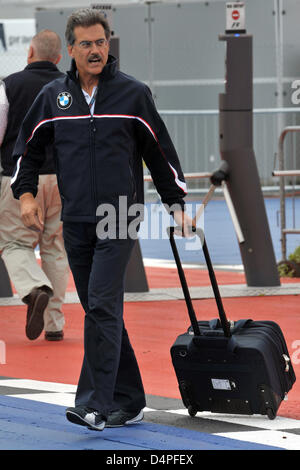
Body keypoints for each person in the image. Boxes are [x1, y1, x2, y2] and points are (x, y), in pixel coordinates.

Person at [11, 8, 192, 431]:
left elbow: (159, 153)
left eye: (102, 42)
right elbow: (28, 150)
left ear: (109, 44)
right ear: (70, 50)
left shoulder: (133, 94)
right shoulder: (54, 96)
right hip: (75, 218)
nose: (96, 50)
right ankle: (129, 399)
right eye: (86, 44)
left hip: (119, 216)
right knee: (99, 307)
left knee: (102, 306)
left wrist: (177, 204)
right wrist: (25, 196)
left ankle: (94, 404)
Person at [0, 30, 69, 342]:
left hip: (19, 178)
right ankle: (54, 324)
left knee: (14, 243)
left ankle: (33, 289)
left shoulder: (9, 86)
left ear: (29, 53)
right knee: (55, 249)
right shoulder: (70, 86)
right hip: (64, 179)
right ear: (58, 58)